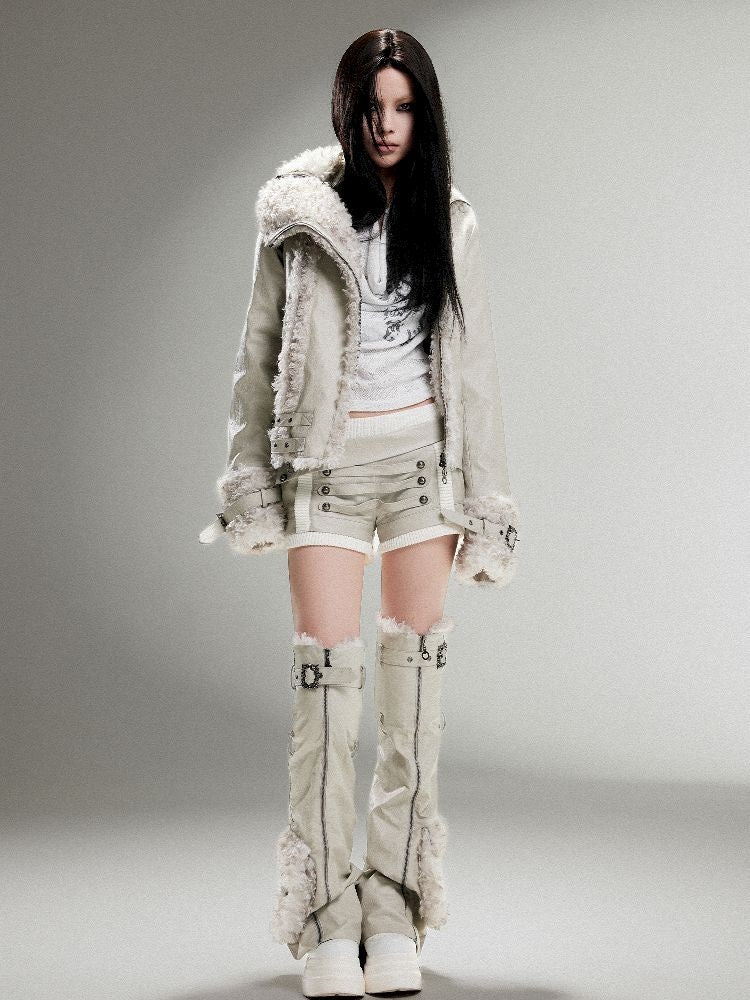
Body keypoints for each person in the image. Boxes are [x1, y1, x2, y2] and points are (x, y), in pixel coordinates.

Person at [199, 27, 520, 999]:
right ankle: (327, 919)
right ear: (346, 109)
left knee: (414, 699)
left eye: (404, 106)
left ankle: (393, 908)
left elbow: (473, 366)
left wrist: (487, 498)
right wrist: (249, 480)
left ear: (423, 114)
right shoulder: (298, 216)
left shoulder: (447, 217)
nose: (388, 124)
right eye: (373, 106)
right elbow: (258, 358)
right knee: (326, 697)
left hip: (421, 474)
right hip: (325, 475)